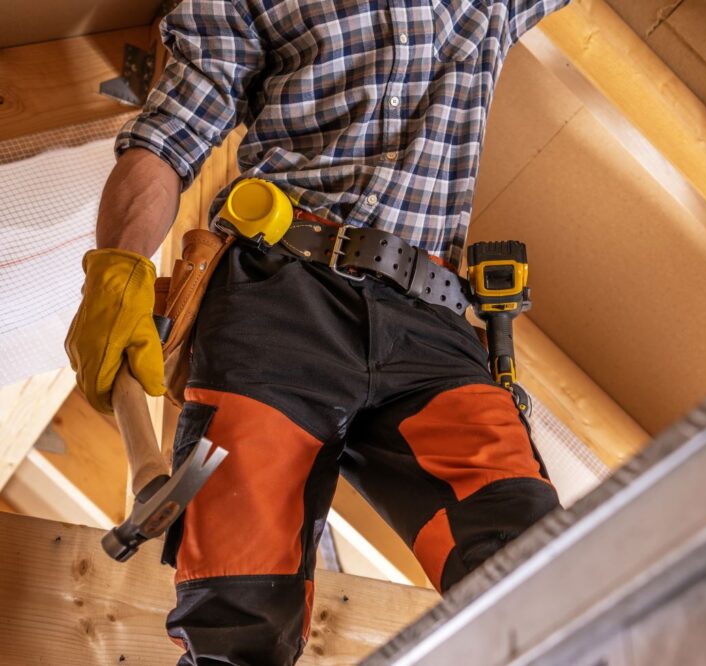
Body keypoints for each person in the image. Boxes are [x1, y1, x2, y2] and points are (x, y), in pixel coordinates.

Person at [64, 0, 569, 663]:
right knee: (238, 613)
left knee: (535, 569)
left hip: (433, 325)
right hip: (280, 299)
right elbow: (168, 136)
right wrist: (117, 269)